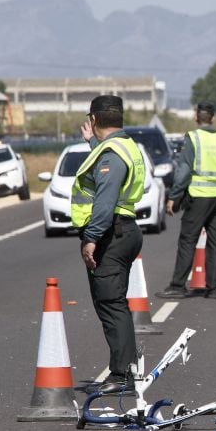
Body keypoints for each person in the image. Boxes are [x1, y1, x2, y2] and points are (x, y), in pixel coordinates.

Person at [73, 95, 145, 395]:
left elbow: (104, 200)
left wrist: (91, 238)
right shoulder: (122, 146)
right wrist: (92, 142)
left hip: (111, 233)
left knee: (111, 304)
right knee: (114, 303)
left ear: (94, 118)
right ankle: (126, 368)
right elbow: (106, 168)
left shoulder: (113, 152)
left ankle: (122, 374)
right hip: (124, 230)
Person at [156, 103, 216, 300]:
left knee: (188, 240)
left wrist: (174, 197)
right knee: (214, 243)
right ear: (213, 118)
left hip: (200, 196)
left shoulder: (194, 138)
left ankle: (177, 285)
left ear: (196, 118)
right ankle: (213, 289)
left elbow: (183, 171)